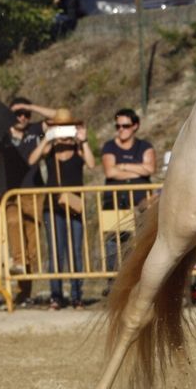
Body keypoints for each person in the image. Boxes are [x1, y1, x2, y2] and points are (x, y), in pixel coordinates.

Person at [30, 109, 95, 309]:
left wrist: (83, 140)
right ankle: (56, 295)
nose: (62, 131)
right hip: (52, 206)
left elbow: (92, 164)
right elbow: (32, 161)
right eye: (58, 126)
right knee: (55, 252)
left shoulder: (77, 148)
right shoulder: (50, 149)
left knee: (75, 250)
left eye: (66, 126)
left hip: (74, 204)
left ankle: (77, 295)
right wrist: (46, 139)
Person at [0, 97, 55, 306]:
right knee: (13, 224)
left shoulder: (34, 130)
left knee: (32, 242)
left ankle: (25, 292)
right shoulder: (2, 134)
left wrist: (31, 106)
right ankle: (19, 263)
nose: (22, 117)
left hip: (33, 191)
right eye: (17, 113)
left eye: (25, 114)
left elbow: (59, 115)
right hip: (10, 193)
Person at [100, 108, 155, 272]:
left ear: (135, 126)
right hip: (114, 200)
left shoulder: (145, 146)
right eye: (118, 126)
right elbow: (110, 171)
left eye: (125, 125)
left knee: (143, 239)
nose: (121, 130)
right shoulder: (109, 147)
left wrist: (122, 166)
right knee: (113, 240)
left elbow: (150, 169)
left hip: (142, 201)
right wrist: (138, 169)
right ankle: (112, 279)